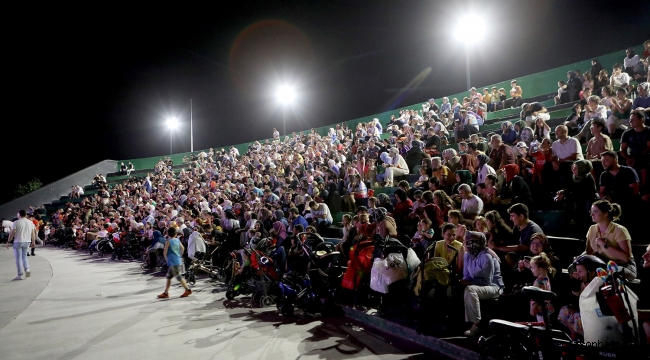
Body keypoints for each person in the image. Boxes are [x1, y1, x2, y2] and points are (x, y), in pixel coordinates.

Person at [461, 231, 504, 336]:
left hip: (493, 287)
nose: (463, 244)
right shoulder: (467, 255)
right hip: (477, 285)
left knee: (470, 290)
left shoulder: (486, 257)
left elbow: (487, 281)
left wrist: (469, 282)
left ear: (473, 243)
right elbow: (466, 275)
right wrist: (462, 282)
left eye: (466, 242)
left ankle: (477, 325)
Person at [584, 200, 636, 281]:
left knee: (610, 273)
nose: (591, 214)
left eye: (595, 212)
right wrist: (580, 258)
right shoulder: (592, 229)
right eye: (591, 211)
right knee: (576, 268)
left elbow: (626, 258)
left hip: (623, 265)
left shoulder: (620, 230)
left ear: (605, 214)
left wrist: (604, 245)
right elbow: (589, 252)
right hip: (604, 263)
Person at [493, 203, 543, 269]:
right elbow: (511, 241)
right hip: (520, 255)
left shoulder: (532, 229)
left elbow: (521, 248)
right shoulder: (517, 227)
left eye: (512, 216)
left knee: (508, 257)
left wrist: (498, 247)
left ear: (521, 216)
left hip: (532, 258)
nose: (510, 219)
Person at [620, 110, 650, 192]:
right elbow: (623, 149)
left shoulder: (648, 131)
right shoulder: (627, 133)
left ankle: (643, 187)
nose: (630, 122)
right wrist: (627, 158)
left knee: (643, 161)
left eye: (633, 120)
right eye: (630, 120)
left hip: (645, 156)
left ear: (641, 120)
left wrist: (636, 158)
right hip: (631, 156)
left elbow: (648, 147)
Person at [158, 227, 192, 298]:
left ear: (168, 234)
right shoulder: (177, 240)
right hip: (177, 260)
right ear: (176, 234)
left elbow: (165, 252)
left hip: (172, 262)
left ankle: (187, 289)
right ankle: (166, 292)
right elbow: (182, 248)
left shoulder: (168, 241)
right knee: (169, 277)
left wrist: (166, 259)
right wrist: (180, 255)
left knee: (179, 277)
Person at [5, 210, 36, 280]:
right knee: (24, 256)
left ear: (19, 214)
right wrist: (33, 241)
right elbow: (33, 233)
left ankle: (20, 274)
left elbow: (12, 233)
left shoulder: (16, 222)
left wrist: (8, 241)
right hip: (27, 241)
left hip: (18, 241)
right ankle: (27, 269)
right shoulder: (30, 222)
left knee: (18, 258)